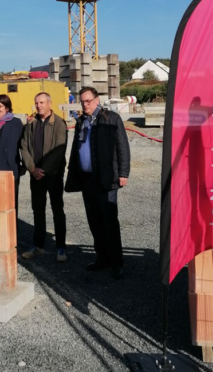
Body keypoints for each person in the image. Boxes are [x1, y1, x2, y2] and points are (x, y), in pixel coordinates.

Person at [65, 86, 130, 279]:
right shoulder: (81, 121)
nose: (85, 104)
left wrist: (124, 173)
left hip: (106, 178)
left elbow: (122, 146)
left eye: (88, 101)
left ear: (97, 100)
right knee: (94, 221)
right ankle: (102, 257)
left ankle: (117, 262)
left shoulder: (111, 118)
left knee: (109, 221)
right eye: (82, 101)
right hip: (87, 179)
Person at [20, 92, 68, 262]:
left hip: (53, 175)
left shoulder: (59, 124)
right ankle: (38, 246)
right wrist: (32, 169)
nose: (39, 105)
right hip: (36, 176)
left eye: (41, 102)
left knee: (57, 210)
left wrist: (44, 170)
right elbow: (24, 147)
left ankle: (61, 247)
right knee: (38, 210)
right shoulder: (31, 124)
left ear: (50, 103)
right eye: (36, 103)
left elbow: (59, 149)